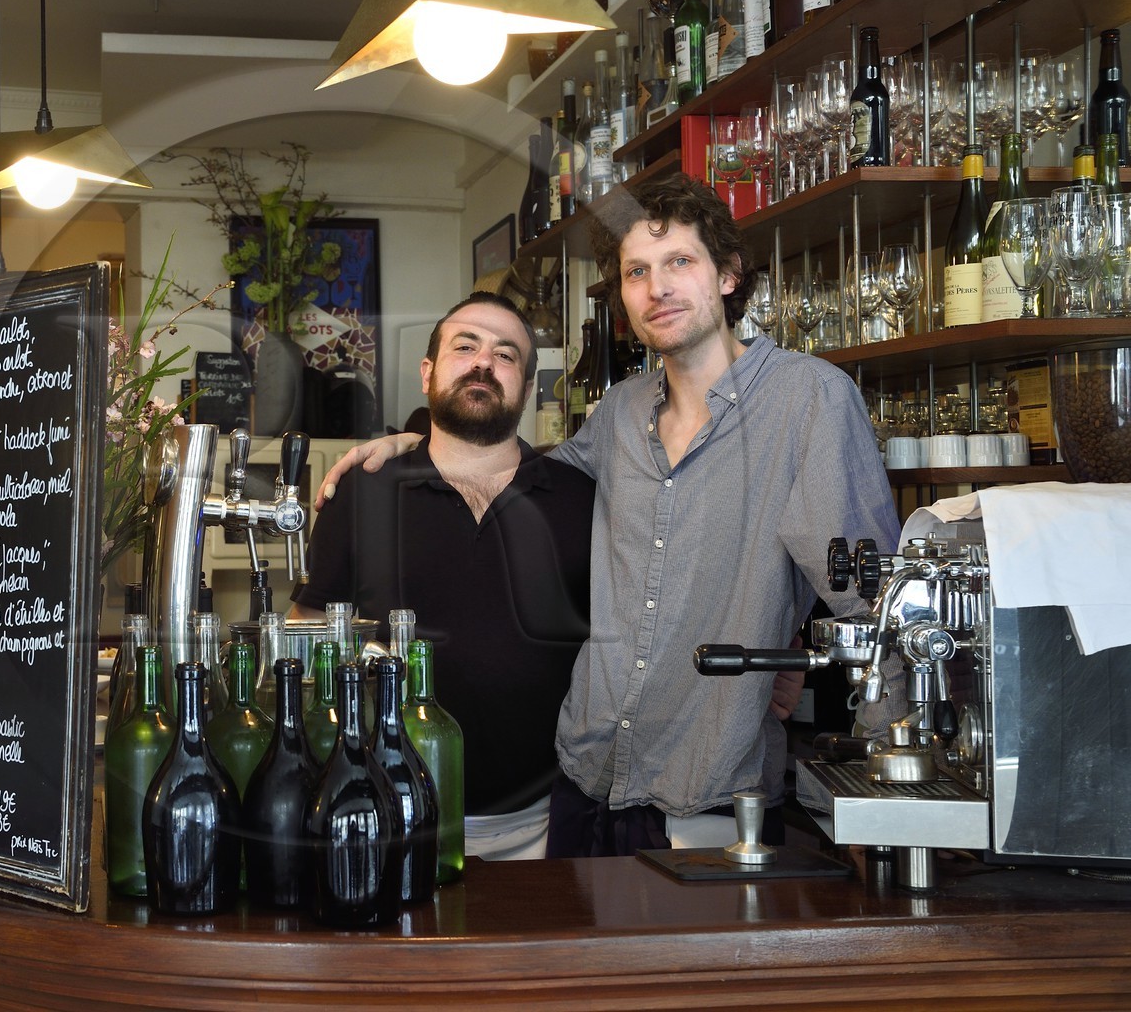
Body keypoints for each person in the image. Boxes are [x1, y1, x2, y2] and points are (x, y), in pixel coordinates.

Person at [317, 174, 901, 856]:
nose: (658, 288)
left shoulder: (810, 401)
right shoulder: (621, 412)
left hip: (706, 787)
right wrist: (411, 443)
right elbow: (510, 464)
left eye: (680, 262)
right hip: (585, 780)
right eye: (637, 272)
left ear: (730, 275)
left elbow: (880, 611)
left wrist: (894, 802)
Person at [291, 292, 595, 860]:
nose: (484, 363)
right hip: (385, 814)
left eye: (507, 355)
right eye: (466, 347)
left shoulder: (581, 498)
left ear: (528, 389)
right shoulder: (364, 490)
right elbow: (305, 633)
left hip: (545, 823)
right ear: (428, 374)